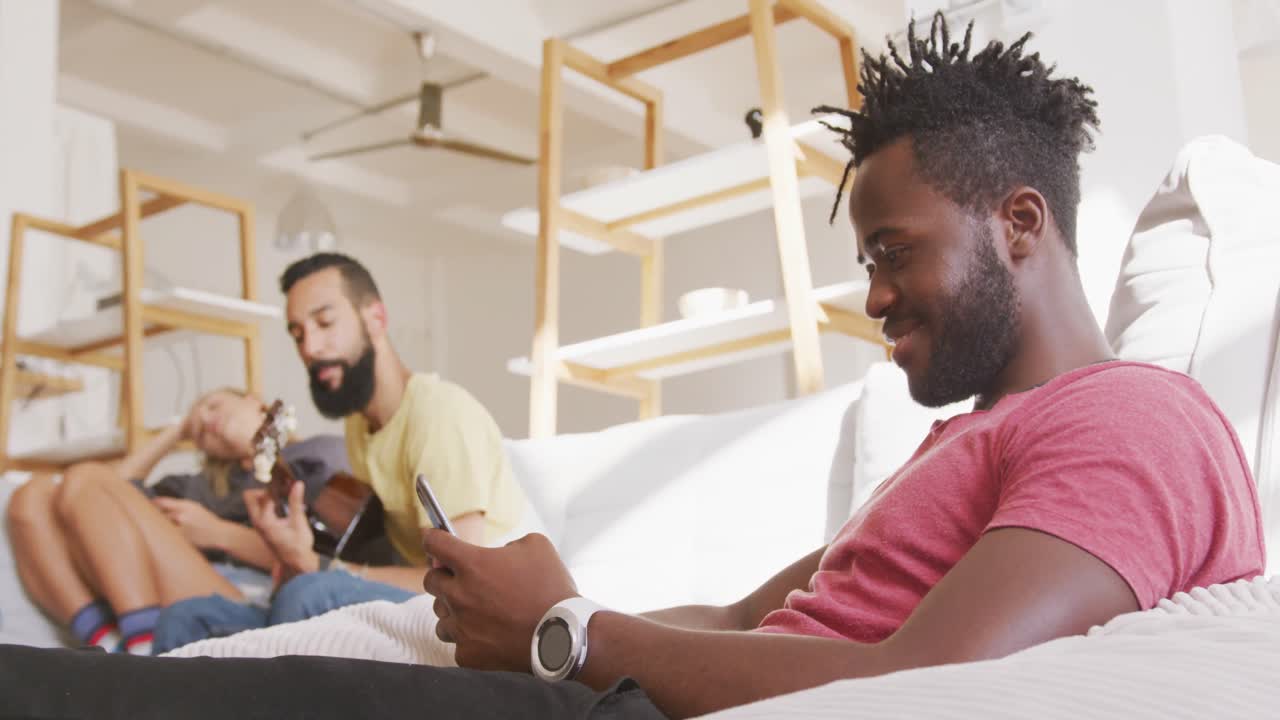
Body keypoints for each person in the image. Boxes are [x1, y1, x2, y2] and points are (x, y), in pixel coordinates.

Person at [0, 13, 1264, 720]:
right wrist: (544, 609)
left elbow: (932, 684)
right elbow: (741, 619)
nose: (872, 295)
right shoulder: (961, 444)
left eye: (892, 253)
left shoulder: (1130, 419)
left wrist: (567, 632)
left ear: (1019, 223)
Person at [153, 252, 525, 649]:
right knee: (187, 618)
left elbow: (461, 585)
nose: (310, 348)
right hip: (396, 593)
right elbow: (366, 553)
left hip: (463, 615)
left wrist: (322, 568)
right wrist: (291, 554)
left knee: (309, 594)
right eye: (298, 334)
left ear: (376, 318)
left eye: (325, 323)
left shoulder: (439, 417)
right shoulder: (358, 425)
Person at [4, 388, 347, 655]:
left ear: (254, 401)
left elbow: (323, 564)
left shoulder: (315, 457)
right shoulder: (199, 486)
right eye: (199, 433)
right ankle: (110, 644)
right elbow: (98, 499)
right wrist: (176, 431)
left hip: (250, 600)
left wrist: (217, 533)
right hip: (167, 586)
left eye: (214, 406)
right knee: (30, 497)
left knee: (84, 476)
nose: (206, 421)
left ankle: (140, 647)